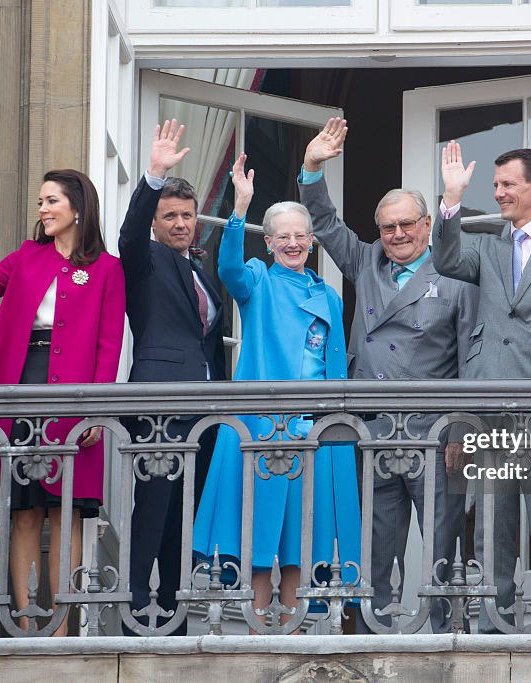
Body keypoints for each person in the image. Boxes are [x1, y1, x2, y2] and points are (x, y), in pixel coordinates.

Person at [298, 119, 477, 633]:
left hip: (434, 431)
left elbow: (470, 360)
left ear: (427, 225)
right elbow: (326, 222)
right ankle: (369, 633)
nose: (397, 235)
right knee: (375, 544)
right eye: (387, 227)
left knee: (442, 543)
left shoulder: (456, 277)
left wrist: (461, 429)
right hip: (373, 428)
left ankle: (445, 634)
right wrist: (313, 166)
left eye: (407, 225)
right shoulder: (366, 261)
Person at [0, 170, 125, 636]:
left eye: (51, 200)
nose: (42, 209)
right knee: (24, 511)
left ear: (77, 207)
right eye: (40, 201)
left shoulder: (107, 268)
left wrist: (96, 408)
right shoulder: (27, 256)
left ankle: (60, 624)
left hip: (75, 398)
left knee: (67, 514)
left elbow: (109, 344)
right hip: (20, 390)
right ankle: (26, 619)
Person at [192, 153, 361, 630]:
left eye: (300, 235)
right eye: (282, 236)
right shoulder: (258, 279)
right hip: (264, 425)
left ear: (312, 242)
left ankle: (292, 629)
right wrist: (239, 206)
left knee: (300, 538)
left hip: (315, 424)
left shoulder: (328, 294)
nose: (292, 243)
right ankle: (258, 627)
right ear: (267, 243)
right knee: (260, 534)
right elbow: (229, 270)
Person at [432, 141, 531, 634]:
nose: (498, 193)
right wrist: (451, 201)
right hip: (490, 399)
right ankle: (493, 623)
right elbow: (445, 259)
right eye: (495, 185)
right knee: (492, 526)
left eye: (507, 185)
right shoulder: (487, 245)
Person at [118, 119, 226, 634]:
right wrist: (154, 177)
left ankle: (174, 611)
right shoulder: (145, 261)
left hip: (203, 411)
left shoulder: (201, 272)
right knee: (154, 508)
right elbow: (128, 233)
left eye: (187, 214)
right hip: (161, 404)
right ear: (158, 221)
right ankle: (137, 610)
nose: (181, 223)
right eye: (171, 215)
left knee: (185, 516)